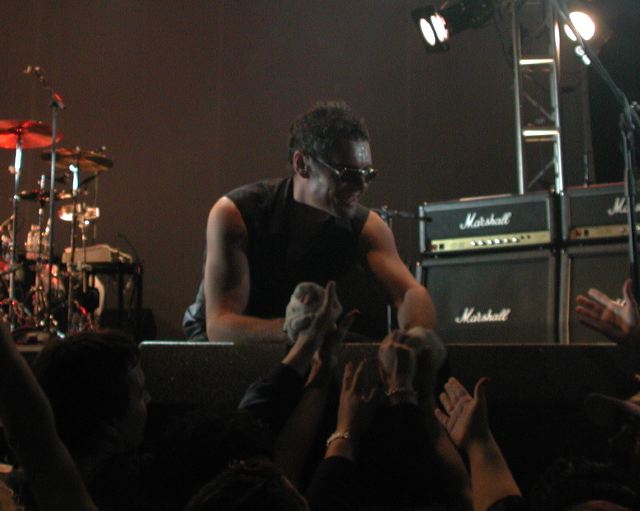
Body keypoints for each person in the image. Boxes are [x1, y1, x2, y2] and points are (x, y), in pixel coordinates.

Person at [183, 100, 435, 343]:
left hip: (303, 341)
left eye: (366, 174)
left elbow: (410, 292)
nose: (361, 186)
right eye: (347, 174)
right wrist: (294, 329)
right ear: (302, 164)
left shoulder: (367, 227)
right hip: (218, 350)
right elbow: (220, 326)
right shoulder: (236, 213)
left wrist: (416, 336)